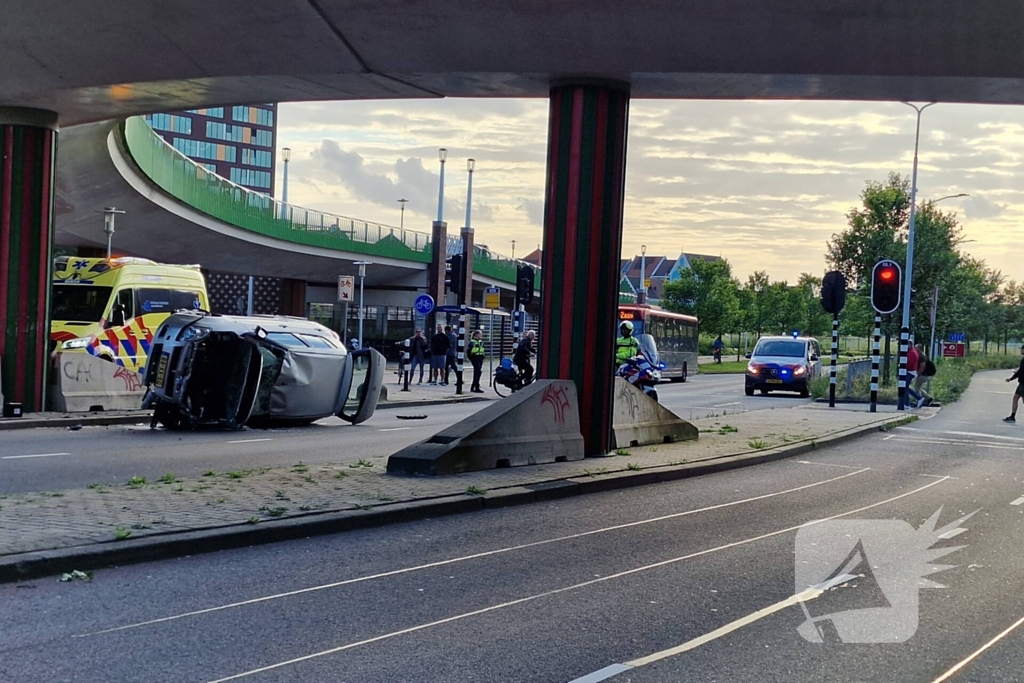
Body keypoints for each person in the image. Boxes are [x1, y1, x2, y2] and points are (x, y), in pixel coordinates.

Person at [1004, 346, 1024, 422]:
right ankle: (1012, 416)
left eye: (1022, 349)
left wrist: (1011, 378)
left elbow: (1020, 371)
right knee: (1017, 398)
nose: (1021, 351)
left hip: (1023, 384)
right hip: (1022, 383)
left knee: (1016, 398)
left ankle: (1012, 416)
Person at [913, 343, 935, 407]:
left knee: (916, 388)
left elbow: (922, 366)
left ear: (919, 348)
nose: (915, 348)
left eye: (916, 347)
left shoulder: (922, 356)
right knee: (918, 388)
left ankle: (919, 400)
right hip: (923, 374)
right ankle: (928, 398)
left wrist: (918, 374)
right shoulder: (920, 355)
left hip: (922, 375)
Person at [905, 341, 924, 407]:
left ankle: (907, 404)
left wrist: (904, 367)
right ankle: (918, 398)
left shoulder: (911, 352)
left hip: (910, 372)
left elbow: (911, 363)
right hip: (911, 371)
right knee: (905, 387)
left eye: (906, 344)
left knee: (904, 387)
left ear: (909, 344)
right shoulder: (912, 352)